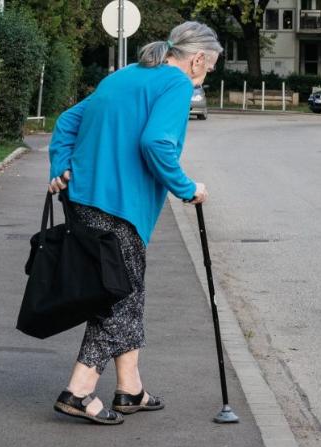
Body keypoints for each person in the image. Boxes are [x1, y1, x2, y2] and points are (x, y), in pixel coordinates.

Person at [46, 21, 221, 425]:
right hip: (119, 207)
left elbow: (67, 121)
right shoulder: (177, 85)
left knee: (123, 294)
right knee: (120, 298)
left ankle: (130, 389)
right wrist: (186, 186)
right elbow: (155, 142)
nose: (206, 74)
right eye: (209, 66)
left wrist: (62, 165)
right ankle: (79, 390)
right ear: (197, 59)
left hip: (85, 200)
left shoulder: (124, 75)